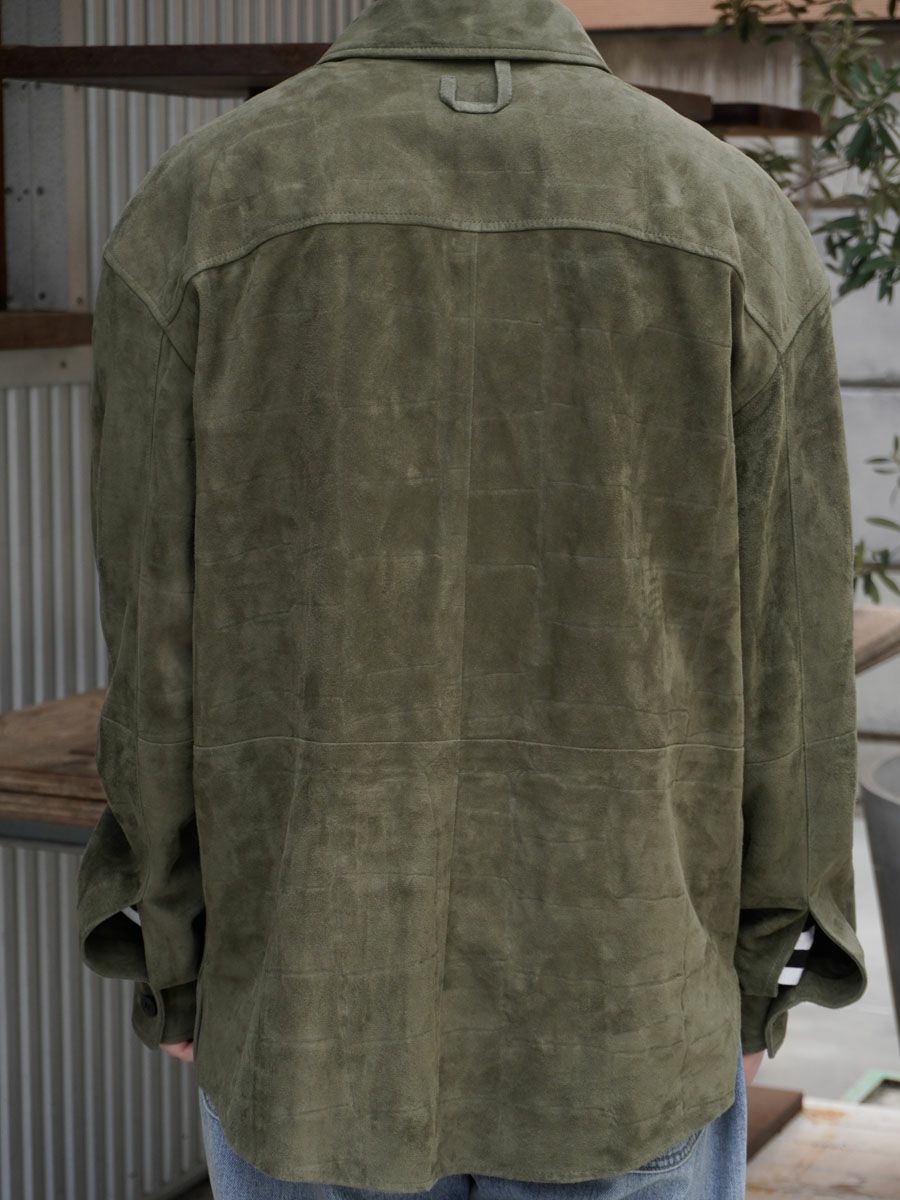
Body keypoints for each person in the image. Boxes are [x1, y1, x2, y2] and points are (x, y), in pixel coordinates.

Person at [75, 1, 868, 1197]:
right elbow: (793, 665)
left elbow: (154, 644)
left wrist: (174, 954)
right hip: (627, 1010)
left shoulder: (204, 202)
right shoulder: (727, 214)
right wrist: (767, 970)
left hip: (309, 1013)